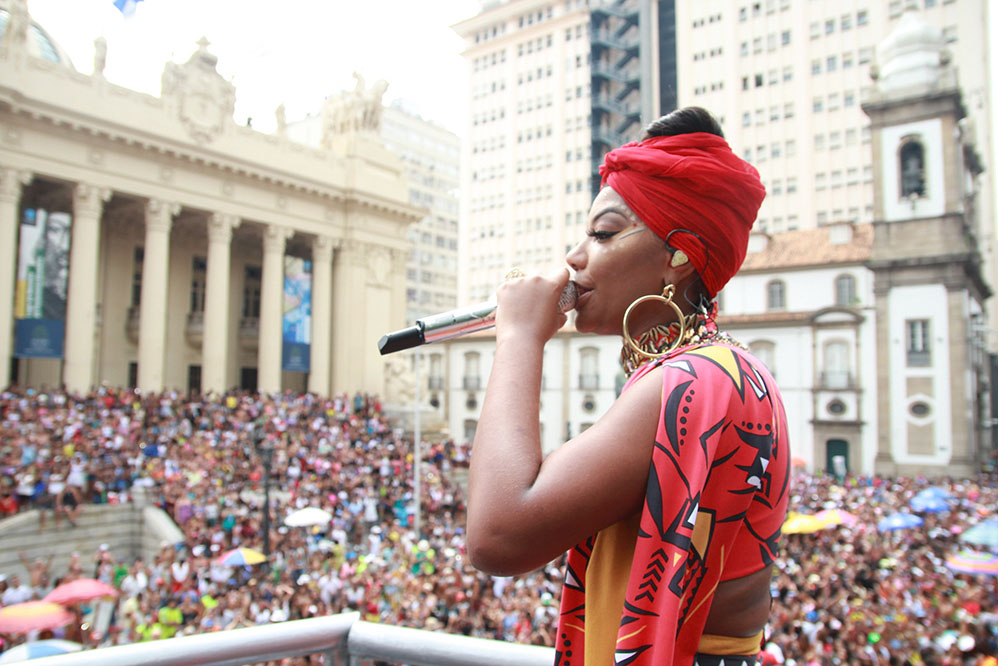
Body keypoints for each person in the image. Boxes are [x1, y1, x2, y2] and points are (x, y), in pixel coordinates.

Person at [467, 107, 792, 666]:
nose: (574, 257)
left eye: (603, 233)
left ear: (680, 254)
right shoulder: (730, 370)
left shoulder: (687, 381)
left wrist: (518, 337)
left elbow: (498, 535)